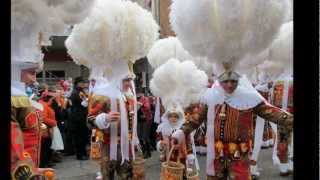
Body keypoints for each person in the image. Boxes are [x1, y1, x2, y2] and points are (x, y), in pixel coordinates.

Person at [172, 63, 293, 180]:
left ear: (239, 80)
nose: (229, 85)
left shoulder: (249, 97)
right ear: (219, 80)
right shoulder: (210, 96)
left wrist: (290, 120)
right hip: (215, 154)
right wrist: (181, 132)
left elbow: (271, 112)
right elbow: (195, 119)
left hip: (240, 154)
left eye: (233, 81)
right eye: (225, 81)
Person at [69, 76, 90, 160]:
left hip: (81, 116)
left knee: (83, 136)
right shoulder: (76, 92)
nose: (83, 84)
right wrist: (88, 100)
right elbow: (82, 104)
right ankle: (80, 155)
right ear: (77, 83)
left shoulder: (80, 91)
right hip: (78, 117)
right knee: (79, 137)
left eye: (83, 82)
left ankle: (83, 153)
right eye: (81, 82)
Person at [39, 90, 58, 168]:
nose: (52, 101)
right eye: (51, 99)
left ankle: (46, 163)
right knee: (45, 149)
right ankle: (43, 165)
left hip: (47, 130)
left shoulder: (44, 105)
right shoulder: (44, 106)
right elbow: (43, 118)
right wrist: (54, 122)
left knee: (47, 148)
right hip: (45, 131)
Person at [137, 93, 153, 158]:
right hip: (139, 120)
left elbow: (148, 107)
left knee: (145, 137)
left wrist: (141, 104)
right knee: (139, 137)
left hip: (146, 120)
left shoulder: (145, 98)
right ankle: (144, 152)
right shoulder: (133, 98)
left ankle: (148, 152)